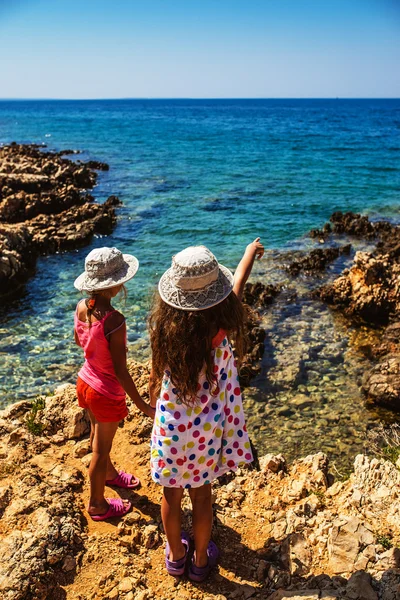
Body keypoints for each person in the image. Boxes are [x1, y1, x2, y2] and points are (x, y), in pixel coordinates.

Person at [148, 238, 264, 580]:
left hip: (171, 426)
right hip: (206, 432)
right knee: (201, 497)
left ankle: (175, 556)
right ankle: (200, 560)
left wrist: (150, 402)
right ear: (216, 295)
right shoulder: (220, 330)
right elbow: (239, 283)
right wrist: (248, 253)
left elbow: (156, 379)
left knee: (170, 495)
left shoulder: (163, 334)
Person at [74, 247, 155, 521]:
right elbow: (121, 370)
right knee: (99, 449)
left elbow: (80, 341)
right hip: (105, 392)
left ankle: (108, 474)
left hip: (85, 381)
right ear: (118, 284)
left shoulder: (83, 307)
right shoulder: (115, 321)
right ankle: (97, 504)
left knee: (97, 435)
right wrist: (142, 403)